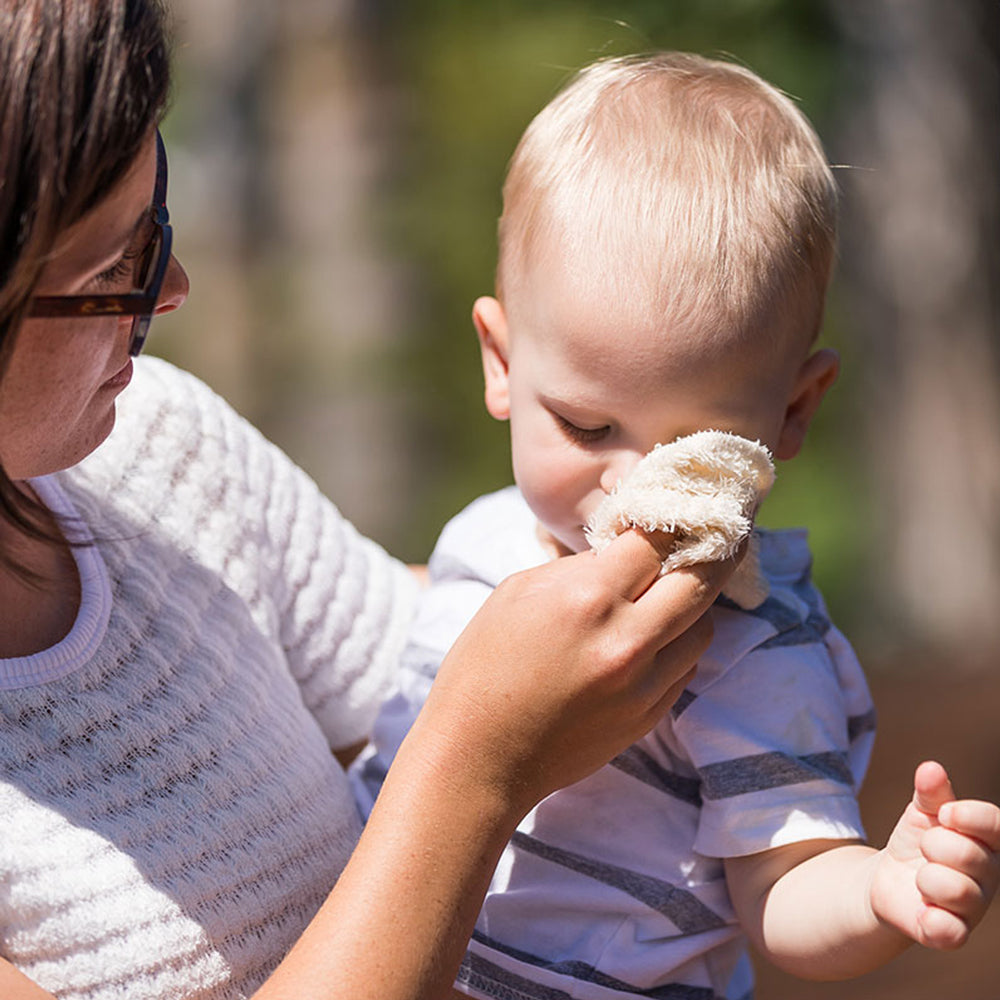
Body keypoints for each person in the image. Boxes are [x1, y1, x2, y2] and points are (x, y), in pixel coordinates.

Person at [0, 7, 737, 1000]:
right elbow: (475, 721)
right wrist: (473, 775)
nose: (171, 286)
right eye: (108, 270)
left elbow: (437, 645)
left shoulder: (154, 446)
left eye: (155, 216)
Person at [350, 52, 1000, 1000]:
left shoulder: (750, 648)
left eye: (696, 449)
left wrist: (879, 891)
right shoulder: (483, 536)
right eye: (585, 426)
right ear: (499, 361)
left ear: (794, 413)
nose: (630, 491)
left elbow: (784, 889)